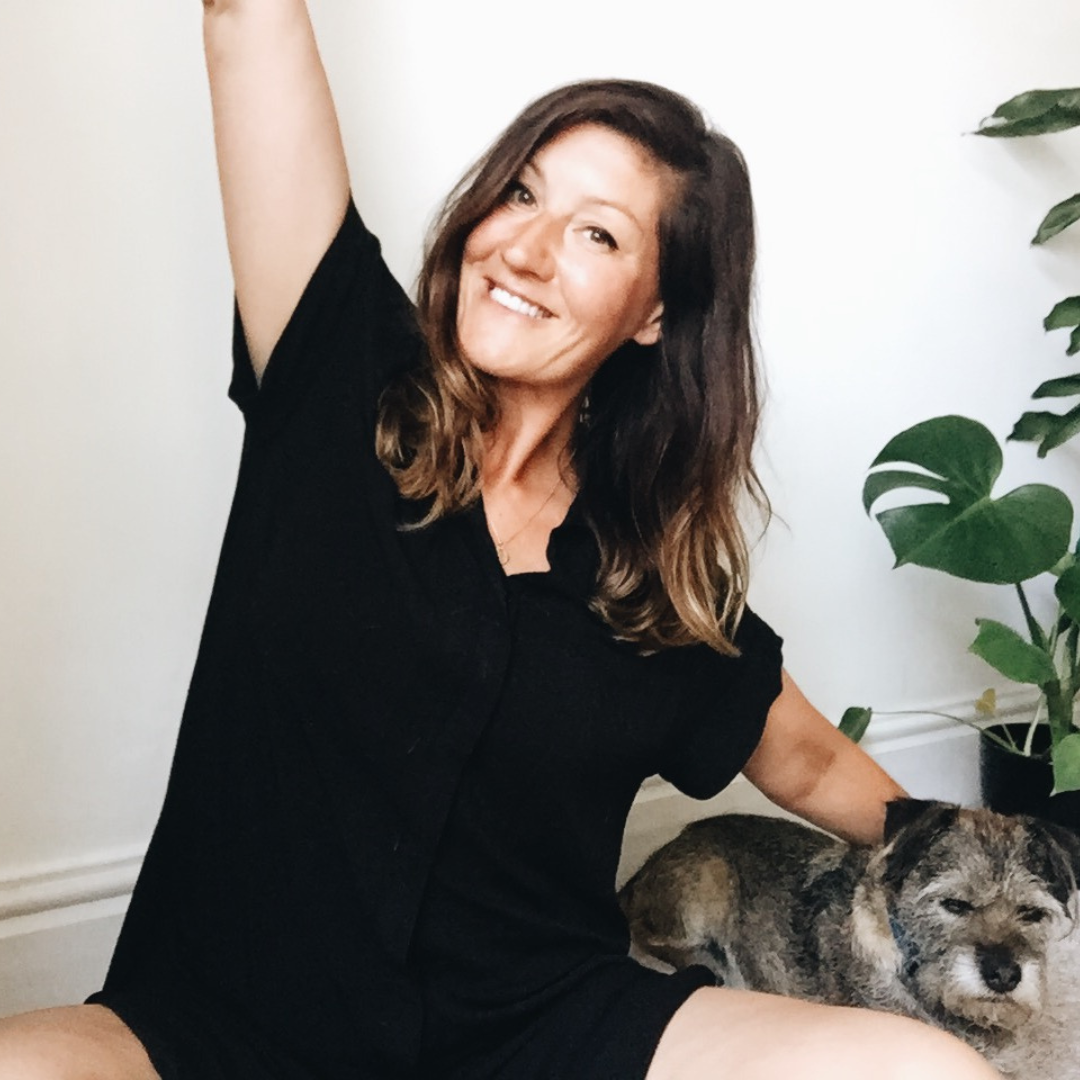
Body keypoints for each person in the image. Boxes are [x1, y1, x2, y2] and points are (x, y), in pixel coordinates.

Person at [0, 3, 1003, 1079]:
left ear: (656, 314)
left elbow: (804, 759)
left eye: (597, 234)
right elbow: (246, 19)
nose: (523, 247)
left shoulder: (647, 581)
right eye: (522, 192)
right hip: (214, 1026)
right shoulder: (341, 374)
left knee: (928, 1072)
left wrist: (1008, 864)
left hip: (532, 1029)